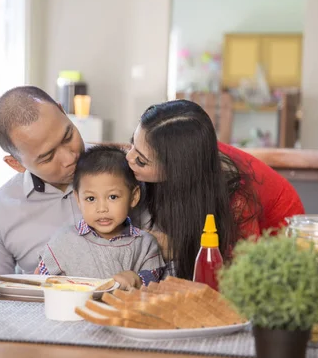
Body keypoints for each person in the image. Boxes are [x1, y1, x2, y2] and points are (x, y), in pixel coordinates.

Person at [125, 99, 305, 280]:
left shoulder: (236, 197)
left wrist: (176, 247)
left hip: (280, 231)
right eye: (132, 143)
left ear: (177, 171)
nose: (129, 157)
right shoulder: (176, 149)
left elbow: (237, 268)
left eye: (141, 160)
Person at [0, 86, 86, 275]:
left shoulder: (127, 170)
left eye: (68, 136)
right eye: (48, 157)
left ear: (62, 111)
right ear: (16, 164)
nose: (70, 158)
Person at [36, 145, 165, 289]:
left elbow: (157, 278)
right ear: (78, 199)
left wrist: (138, 279)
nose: (102, 209)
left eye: (112, 197)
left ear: (134, 197)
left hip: (122, 310)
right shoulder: (64, 239)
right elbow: (41, 280)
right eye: (91, 199)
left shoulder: (144, 243)